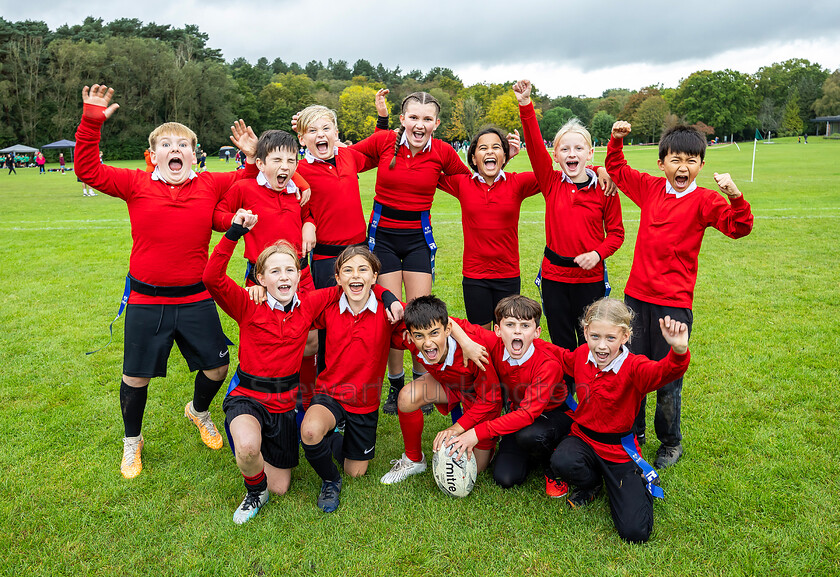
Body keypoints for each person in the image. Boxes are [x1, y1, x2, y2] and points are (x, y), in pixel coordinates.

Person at [74, 83, 260, 479]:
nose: (175, 149)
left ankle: (199, 411)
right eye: (167, 144)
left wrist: (250, 156)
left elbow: (247, 180)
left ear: (194, 154)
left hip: (196, 298)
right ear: (153, 154)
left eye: (183, 144)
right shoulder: (135, 184)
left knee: (216, 369)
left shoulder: (210, 184)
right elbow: (87, 170)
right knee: (135, 377)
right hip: (146, 300)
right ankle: (132, 441)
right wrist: (91, 122)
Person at [606, 120, 753, 468]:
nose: (682, 167)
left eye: (690, 160)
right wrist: (616, 139)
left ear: (701, 165)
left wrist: (734, 194)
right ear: (662, 163)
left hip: (674, 305)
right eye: (675, 159)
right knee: (632, 369)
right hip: (636, 301)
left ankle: (670, 442)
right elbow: (617, 168)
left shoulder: (706, 201)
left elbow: (739, 227)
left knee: (668, 378)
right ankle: (634, 432)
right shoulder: (651, 189)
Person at [350, 90, 472, 414]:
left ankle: (422, 381)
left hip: (418, 238)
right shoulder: (384, 141)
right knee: (393, 317)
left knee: (419, 315)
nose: (420, 124)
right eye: (414, 117)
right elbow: (347, 159)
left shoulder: (443, 152)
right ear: (402, 119)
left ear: (436, 122)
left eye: (427, 119)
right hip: (383, 239)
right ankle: (395, 384)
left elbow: (466, 180)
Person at [547, 298, 690, 543]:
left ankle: (633, 483)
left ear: (625, 336)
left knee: (635, 532)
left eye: (610, 338)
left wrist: (678, 351)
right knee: (561, 460)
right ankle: (592, 485)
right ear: (585, 332)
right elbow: (559, 356)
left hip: (618, 450)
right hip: (583, 439)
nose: (601, 346)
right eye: (595, 337)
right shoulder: (582, 354)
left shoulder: (635, 367)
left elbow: (664, 372)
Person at [513, 79, 624, 356]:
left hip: (591, 279)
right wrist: (525, 105)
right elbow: (535, 147)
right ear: (556, 155)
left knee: (592, 342)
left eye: (578, 149)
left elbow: (617, 233)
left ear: (590, 153)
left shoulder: (604, 188)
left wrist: (598, 254)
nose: (572, 154)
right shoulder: (550, 182)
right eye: (565, 149)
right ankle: (566, 398)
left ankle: (591, 396)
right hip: (555, 278)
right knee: (562, 345)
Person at [212, 129, 318, 417]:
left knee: (309, 341)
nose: (285, 166)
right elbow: (217, 217)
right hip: (262, 278)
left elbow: (306, 214)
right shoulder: (245, 189)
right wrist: (235, 220)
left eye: (291, 160)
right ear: (260, 164)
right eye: (277, 160)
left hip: (300, 274)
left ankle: (304, 402)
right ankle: (249, 392)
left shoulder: (297, 189)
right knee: (264, 338)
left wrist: (309, 222)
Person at [298, 246, 405, 513]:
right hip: (330, 393)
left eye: (362, 270)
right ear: (337, 278)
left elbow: (425, 329)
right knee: (310, 431)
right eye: (347, 270)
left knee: (356, 472)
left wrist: (388, 296)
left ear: (374, 276)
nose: (355, 275)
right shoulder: (329, 305)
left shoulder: (388, 313)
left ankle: (334, 437)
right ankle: (330, 480)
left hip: (364, 402)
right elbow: (294, 302)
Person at [446, 295, 573, 497]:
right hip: (519, 413)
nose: (517, 331)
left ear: (537, 332)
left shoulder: (547, 363)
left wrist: (476, 433)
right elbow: (446, 321)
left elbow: (528, 414)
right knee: (505, 478)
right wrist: (466, 343)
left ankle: (555, 463)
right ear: (497, 330)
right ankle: (531, 454)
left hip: (554, 414)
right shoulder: (493, 344)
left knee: (531, 435)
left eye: (525, 326)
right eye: (510, 324)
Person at [380, 295, 502, 484]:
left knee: (475, 469)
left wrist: (455, 429)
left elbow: (491, 399)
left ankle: (491, 442)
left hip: (481, 395)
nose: (427, 343)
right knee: (407, 397)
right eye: (419, 336)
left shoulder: (474, 349)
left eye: (434, 333)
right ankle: (414, 459)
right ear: (409, 334)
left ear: (448, 330)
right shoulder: (411, 334)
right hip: (451, 384)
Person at [436, 127, 537, 329]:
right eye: (483, 148)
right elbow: (428, 172)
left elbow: (554, 176)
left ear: (505, 156)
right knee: (481, 337)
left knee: (508, 335)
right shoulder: (462, 183)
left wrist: (597, 170)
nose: (490, 151)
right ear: (473, 159)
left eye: (496, 147)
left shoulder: (518, 182)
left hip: (508, 275)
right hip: (475, 277)